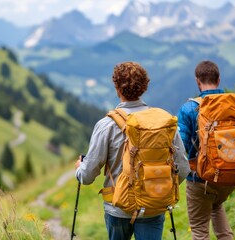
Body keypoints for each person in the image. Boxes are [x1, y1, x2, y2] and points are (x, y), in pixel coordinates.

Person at [75, 61, 190, 240]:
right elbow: (182, 168)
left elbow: (88, 175)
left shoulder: (106, 125)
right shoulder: (164, 123)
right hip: (153, 206)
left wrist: (79, 170)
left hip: (118, 208)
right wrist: (158, 189)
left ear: (117, 88)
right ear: (144, 87)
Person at [177, 60, 235, 240]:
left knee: (200, 230)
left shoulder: (189, 109)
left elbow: (181, 149)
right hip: (230, 177)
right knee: (216, 206)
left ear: (197, 81)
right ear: (219, 79)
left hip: (200, 179)